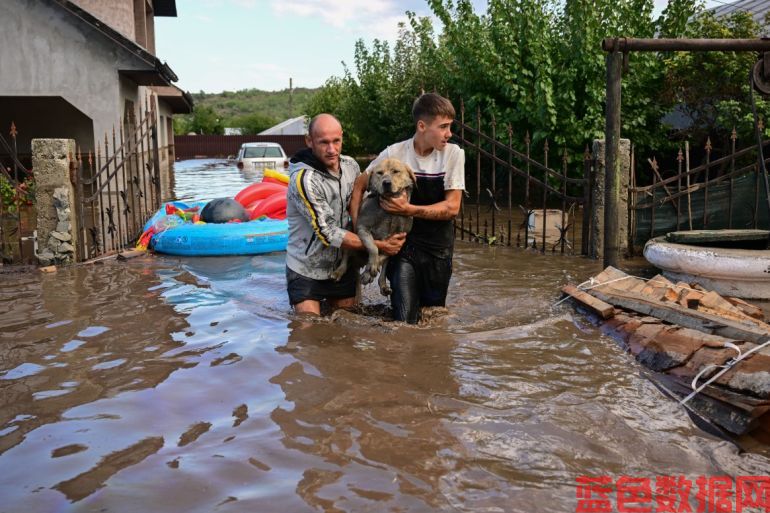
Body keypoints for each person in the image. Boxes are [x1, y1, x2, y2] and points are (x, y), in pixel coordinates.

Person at [351, 93, 465, 324]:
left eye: (450, 127)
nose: (449, 134)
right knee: (404, 320)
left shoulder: (454, 154)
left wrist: (408, 209)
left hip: (439, 249)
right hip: (404, 247)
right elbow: (359, 186)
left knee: (432, 319)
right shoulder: (394, 153)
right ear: (422, 126)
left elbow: (452, 208)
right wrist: (359, 234)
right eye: (443, 127)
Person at [285, 113, 406, 315]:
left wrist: (401, 204)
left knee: (347, 328)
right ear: (309, 141)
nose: (332, 149)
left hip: (343, 264)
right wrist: (380, 246)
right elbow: (328, 233)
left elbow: (362, 202)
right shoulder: (304, 180)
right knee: (306, 333)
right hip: (306, 270)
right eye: (324, 143)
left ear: (342, 137)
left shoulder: (350, 165)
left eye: (336, 141)